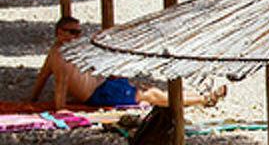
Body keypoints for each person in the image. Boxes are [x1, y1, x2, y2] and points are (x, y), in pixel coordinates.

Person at [26, 16, 205, 111]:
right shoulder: (60, 58)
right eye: (72, 32)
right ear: (59, 32)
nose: (77, 36)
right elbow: (60, 86)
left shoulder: (56, 52)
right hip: (100, 95)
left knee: (147, 89)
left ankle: (197, 95)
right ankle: (203, 99)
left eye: (78, 32)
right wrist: (61, 109)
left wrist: (33, 99)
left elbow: (43, 76)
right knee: (151, 95)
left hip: (105, 86)